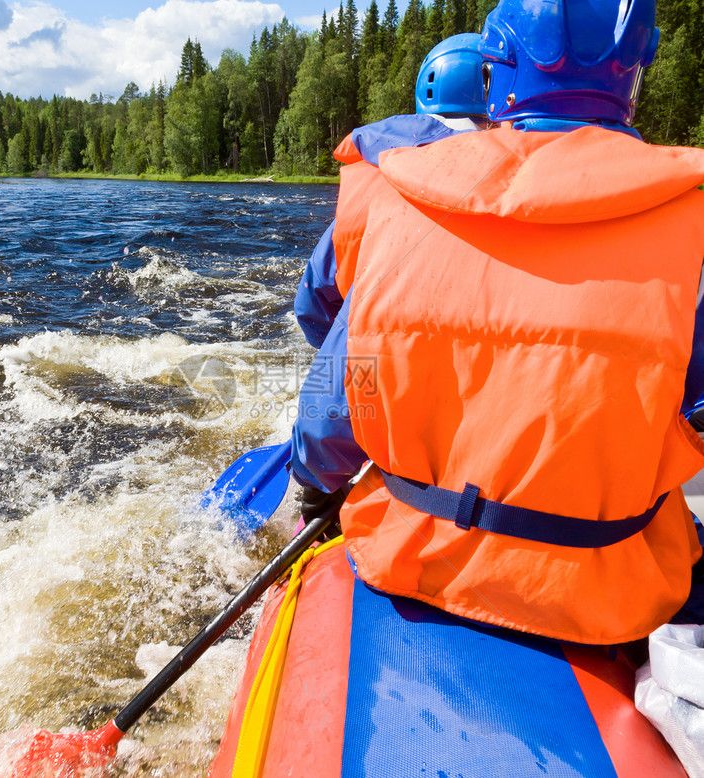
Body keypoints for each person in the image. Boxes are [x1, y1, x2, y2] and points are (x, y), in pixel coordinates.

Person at [290, 0, 704, 646]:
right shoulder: (692, 222)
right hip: (611, 591)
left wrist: (314, 483)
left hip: (410, 557)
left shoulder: (403, 196)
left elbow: (343, 381)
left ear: (498, 74)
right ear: (634, 77)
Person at [295, 34, 488, 530]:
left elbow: (314, 306)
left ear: (427, 96)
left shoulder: (373, 180)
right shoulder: (511, 185)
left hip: (374, 382)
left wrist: (322, 478)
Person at [295, 33, 488, 350]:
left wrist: (336, 349)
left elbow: (311, 302)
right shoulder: (519, 184)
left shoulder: (370, 187)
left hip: (373, 375)